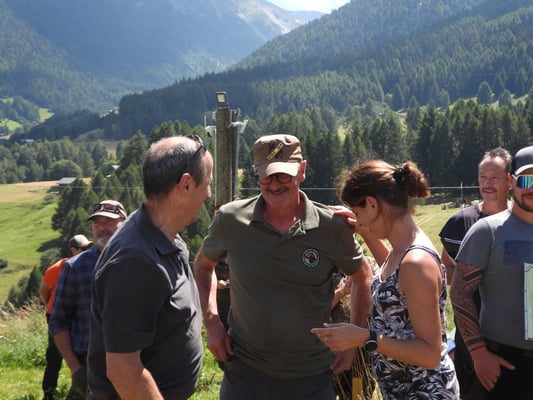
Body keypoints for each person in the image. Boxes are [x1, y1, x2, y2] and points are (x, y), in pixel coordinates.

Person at [194, 134, 373, 400]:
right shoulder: (230, 220)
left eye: (283, 175)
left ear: (302, 170)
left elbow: (362, 276)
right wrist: (212, 323)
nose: (275, 184)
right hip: (245, 372)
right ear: (256, 174)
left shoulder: (331, 226)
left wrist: (353, 344)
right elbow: (202, 266)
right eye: (267, 176)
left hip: (311, 376)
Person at [312, 160, 459, 399]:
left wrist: (363, 337)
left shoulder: (415, 262)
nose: (359, 220)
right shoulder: (403, 251)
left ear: (372, 204)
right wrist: (363, 230)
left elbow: (430, 354)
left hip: (424, 392)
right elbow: (392, 282)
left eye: (358, 213)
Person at [86, 135, 213, 400]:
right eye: (207, 183)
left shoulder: (164, 234)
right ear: (186, 184)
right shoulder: (135, 262)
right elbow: (123, 370)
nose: (209, 194)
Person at [450, 145, 533, 399]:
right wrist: (478, 353)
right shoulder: (487, 231)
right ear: (511, 181)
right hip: (504, 367)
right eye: (526, 180)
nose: (532, 187)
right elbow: (460, 292)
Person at [439, 147, 512, 399]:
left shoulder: (522, 220)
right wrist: (467, 282)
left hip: (512, 336)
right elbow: (445, 266)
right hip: (470, 334)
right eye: (483, 177)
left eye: (494, 177)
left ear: (509, 180)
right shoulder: (461, 221)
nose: (487, 184)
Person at [49, 200, 127, 400]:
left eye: (109, 222)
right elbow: (58, 320)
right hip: (89, 365)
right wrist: (75, 368)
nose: (102, 228)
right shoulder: (75, 267)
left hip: (134, 362)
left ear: (125, 223)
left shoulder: (138, 261)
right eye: (96, 222)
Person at [40, 234, 93, 400]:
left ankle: (80, 386)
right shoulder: (56, 268)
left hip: (77, 314)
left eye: (88, 248)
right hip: (56, 316)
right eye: (83, 248)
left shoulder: (89, 264)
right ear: (73, 250)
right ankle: (49, 392)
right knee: (54, 355)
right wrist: (53, 307)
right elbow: (43, 292)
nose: (87, 251)